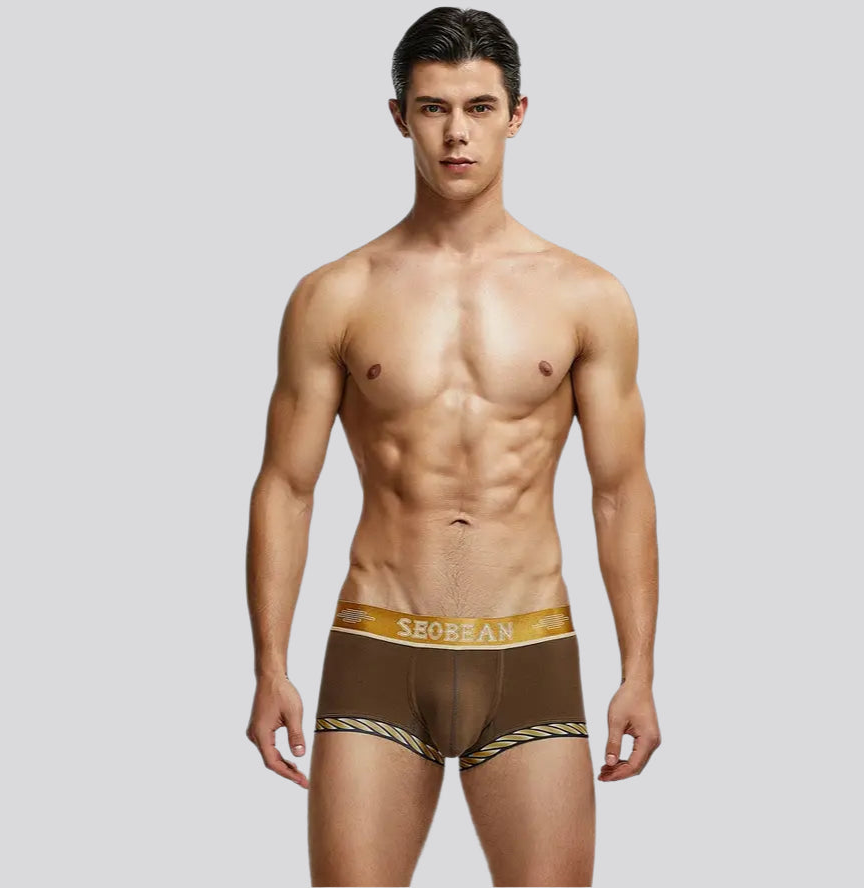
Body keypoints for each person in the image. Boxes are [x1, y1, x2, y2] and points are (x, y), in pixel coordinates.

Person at [244, 7, 660, 885]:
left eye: (479, 107)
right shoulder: (336, 294)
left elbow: (620, 491)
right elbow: (286, 486)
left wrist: (639, 672)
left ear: (517, 114)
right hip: (376, 646)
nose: (456, 133)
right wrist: (270, 665)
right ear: (400, 116)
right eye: (433, 108)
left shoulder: (587, 296)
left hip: (531, 647)